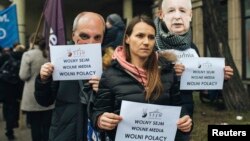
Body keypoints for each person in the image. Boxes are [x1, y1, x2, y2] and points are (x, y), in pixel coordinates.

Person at [90, 15, 192, 141]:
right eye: (140, 36)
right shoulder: (110, 75)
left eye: (151, 37)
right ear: (127, 38)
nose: (146, 42)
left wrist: (186, 120)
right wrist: (100, 120)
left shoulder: (167, 71)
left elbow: (178, 106)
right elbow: (98, 111)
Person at [154, 0, 233, 140]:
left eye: (183, 11)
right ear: (161, 14)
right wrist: (171, 73)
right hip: (156, 112)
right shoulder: (150, 43)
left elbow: (199, 82)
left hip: (185, 112)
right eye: (171, 11)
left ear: (190, 15)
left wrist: (219, 77)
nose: (177, 16)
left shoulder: (191, 47)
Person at [34, 12, 105, 141]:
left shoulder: (110, 64)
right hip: (65, 134)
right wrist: (43, 80)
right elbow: (44, 100)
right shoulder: (60, 60)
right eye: (84, 36)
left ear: (103, 38)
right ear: (73, 35)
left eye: (97, 37)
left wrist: (105, 90)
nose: (90, 42)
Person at [19, 33, 54, 141]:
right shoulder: (48, 54)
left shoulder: (28, 55)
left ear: (31, 42)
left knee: (35, 126)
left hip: (32, 96)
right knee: (46, 126)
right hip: (48, 94)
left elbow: (23, 75)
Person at [0, 44, 25, 141]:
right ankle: (11, 127)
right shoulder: (23, 58)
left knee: (7, 108)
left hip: (5, 88)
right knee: (13, 109)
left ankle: (8, 126)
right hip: (15, 89)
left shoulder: (6, 57)